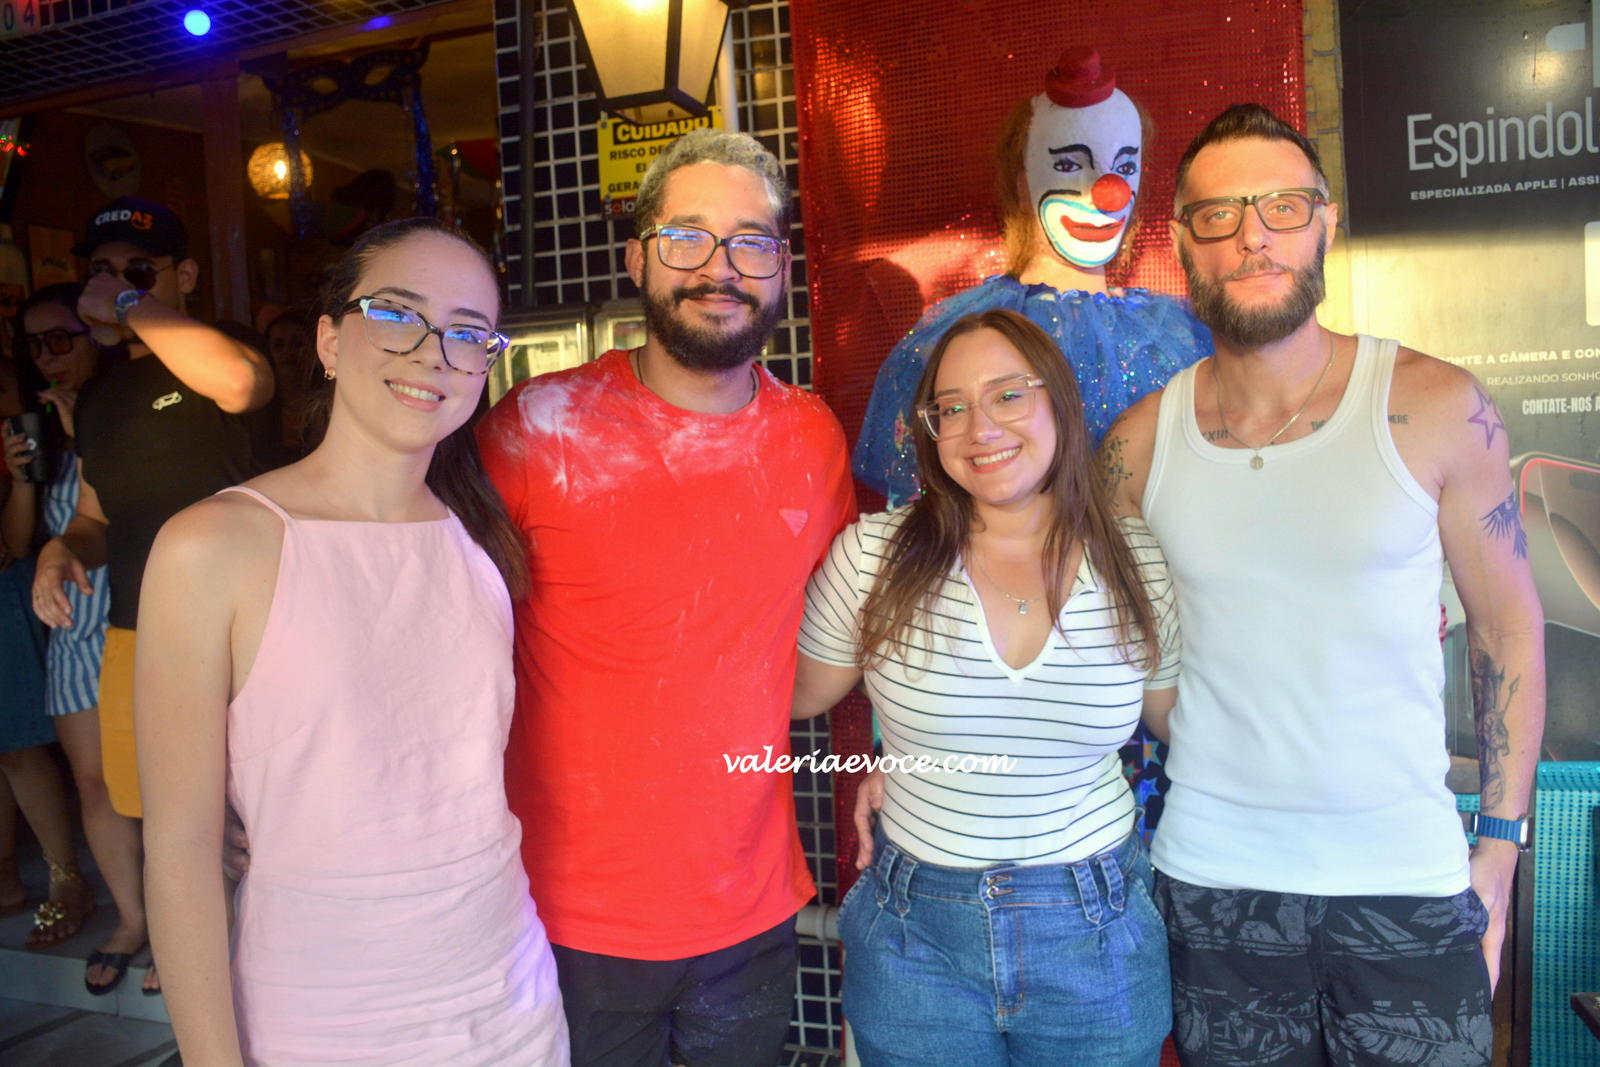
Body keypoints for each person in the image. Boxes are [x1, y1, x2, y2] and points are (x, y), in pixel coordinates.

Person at [1097, 103, 1545, 1066]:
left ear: (1326, 222)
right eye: (1219, 214)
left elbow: (1507, 627)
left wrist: (1500, 847)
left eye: (1283, 206)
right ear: (1181, 243)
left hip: (1405, 884)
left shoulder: (1435, 405)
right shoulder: (1136, 447)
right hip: (1213, 886)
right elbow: (1105, 650)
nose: (1252, 235)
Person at [136, 217, 567, 1065]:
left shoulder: (483, 543)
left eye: (467, 333)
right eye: (398, 314)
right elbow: (180, 849)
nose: (433, 353)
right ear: (331, 340)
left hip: (511, 1002)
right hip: (319, 1018)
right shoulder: (213, 545)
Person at [475, 128, 856, 1066]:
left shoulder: (813, 437)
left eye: (751, 242)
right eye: (687, 236)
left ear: (780, 268)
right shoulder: (532, 427)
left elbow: (854, 621)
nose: (719, 268)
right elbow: (436, 644)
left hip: (751, 910)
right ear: (637, 256)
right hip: (566, 917)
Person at [796, 309, 1177, 1065]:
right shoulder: (872, 557)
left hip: (1097, 928)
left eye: (1008, 394)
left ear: (1058, 403)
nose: (981, 427)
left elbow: (1179, 723)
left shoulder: (1137, 558)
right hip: (915, 933)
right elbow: (787, 697)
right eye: (952, 407)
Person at [30, 197, 277, 994]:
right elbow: (96, 516)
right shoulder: (102, 395)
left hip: (244, 629)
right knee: (172, 814)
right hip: (138, 627)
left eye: (138, 268)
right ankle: (199, 963)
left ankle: (265, 974)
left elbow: (239, 383)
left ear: (184, 276)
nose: (113, 284)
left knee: (256, 811)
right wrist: (63, 547)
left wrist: (131, 303)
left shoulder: (220, 351)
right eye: (101, 271)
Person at [853, 47, 1210, 509]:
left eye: (1124, 168)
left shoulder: (1180, 337)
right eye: (1068, 166)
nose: (1108, 193)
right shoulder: (957, 339)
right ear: (1023, 184)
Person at [2, 284, 110, 953]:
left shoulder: (122, 409)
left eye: (60, 339)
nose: (48, 356)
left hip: (129, 609)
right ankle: (104, 899)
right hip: (71, 619)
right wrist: (23, 477)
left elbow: (133, 510)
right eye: (35, 345)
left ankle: (163, 912)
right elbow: (19, 543)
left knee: (157, 777)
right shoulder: (40, 428)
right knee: (92, 780)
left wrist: (87, 436)